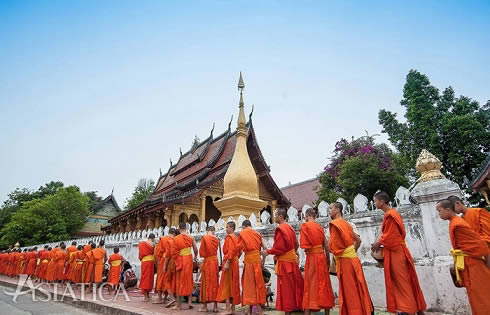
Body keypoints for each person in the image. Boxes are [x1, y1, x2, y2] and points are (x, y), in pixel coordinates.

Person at [371, 191, 426, 315]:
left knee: (402, 281)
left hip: (396, 252)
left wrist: (378, 243)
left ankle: (409, 309)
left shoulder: (390, 215)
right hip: (397, 251)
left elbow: (392, 237)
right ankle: (414, 307)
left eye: (375, 201)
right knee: (404, 280)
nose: (374, 203)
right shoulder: (391, 214)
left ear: (382, 201)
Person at [436, 199, 490, 314]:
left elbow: (480, 244)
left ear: (448, 210)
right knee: (475, 296)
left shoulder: (458, 224)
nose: (438, 214)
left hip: (474, 265)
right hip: (468, 262)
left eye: (439, 211)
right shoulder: (455, 222)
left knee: (480, 296)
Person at [329, 202, 373, 315]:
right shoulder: (347, 224)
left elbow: (334, 247)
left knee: (350, 291)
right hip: (353, 260)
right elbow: (358, 240)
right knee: (358, 287)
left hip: (346, 263)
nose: (329, 210)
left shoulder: (335, 224)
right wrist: (350, 252)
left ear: (337, 210)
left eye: (331, 208)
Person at [264, 208, 304, 314]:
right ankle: (296, 307)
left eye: (276, 215)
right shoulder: (290, 228)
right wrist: (291, 254)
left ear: (280, 216)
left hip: (285, 264)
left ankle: (288, 311)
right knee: (294, 286)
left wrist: (267, 252)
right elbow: (296, 245)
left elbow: (279, 248)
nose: (275, 217)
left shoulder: (281, 228)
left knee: (286, 289)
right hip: (292, 261)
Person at [300, 208, 335, 314]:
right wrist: (328, 261)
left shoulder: (305, 226)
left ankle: (308, 312)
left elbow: (304, 245)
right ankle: (327, 313)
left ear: (306, 216)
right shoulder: (320, 227)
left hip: (311, 258)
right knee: (324, 285)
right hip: (321, 258)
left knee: (310, 285)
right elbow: (326, 245)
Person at [237, 220, 267, 315]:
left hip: (249, 261)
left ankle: (260, 311)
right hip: (257, 260)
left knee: (250, 286)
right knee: (257, 284)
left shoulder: (243, 233)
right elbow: (265, 248)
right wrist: (263, 261)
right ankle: (249, 310)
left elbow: (238, 248)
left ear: (244, 226)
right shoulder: (257, 234)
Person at [172, 222, 199, 310]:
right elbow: (195, 249)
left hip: (180, 260)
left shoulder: (176, 238)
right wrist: (195, 257)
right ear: (186, 228)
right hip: (188, 259)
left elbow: (174, 252)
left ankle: (179, 305)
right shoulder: (191, 237)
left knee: (179, 280)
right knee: (188, 279)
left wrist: (176, 258)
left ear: (179, 229)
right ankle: (190, 302)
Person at [216, 222, 241, 315]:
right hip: (234, 262)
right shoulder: (236, 237)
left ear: (231, 228)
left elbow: (231, 251)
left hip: (229, 263)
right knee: (234, 285)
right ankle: (233, 309)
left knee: (226, 285)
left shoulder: (230, 237)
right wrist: (234, 260)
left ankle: (228, 309)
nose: (226, 229)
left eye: (227, 227)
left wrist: (227, 262)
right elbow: (239, 252)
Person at [199, 226, 220, 312]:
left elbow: (202, 253)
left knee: (205, 283)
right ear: (214, 231)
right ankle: (215, 307)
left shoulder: (205, 238)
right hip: (215, 262)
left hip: (207, 262)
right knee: (214, 283)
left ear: (207, 230)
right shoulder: (217, 239)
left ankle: (205, 307)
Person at [162, 228, 179, 307]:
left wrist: (164, 265)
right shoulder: (181, 242)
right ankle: (176, 300)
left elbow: (167, 255)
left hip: (171, 263)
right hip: (179, 263)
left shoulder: (171, 242)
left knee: (166, 280)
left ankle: (172, 298)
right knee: (175, 281)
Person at [154, 232, 172, 304]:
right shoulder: (175, 239)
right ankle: (165, 298)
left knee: (160, 278)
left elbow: (157, 252)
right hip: (171, 260)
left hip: (163, 260)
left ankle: (159, 298)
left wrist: (157, 261)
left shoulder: (163, 239)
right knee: (168, 279)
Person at [138, 233, 156, 302]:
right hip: (151, 262)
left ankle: (146, 296)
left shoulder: (142, 244)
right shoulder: (153, 244)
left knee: (144, 277)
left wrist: (141, 258)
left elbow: (140, 255)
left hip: (144, 262)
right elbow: (155, 254)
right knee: (150, 278)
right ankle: (147, 295)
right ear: (153, 238)